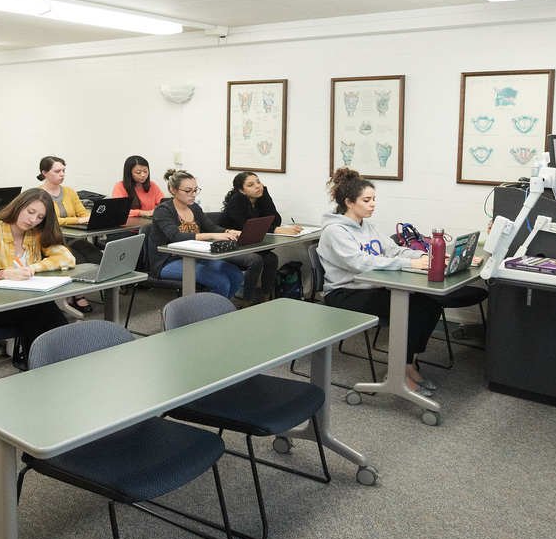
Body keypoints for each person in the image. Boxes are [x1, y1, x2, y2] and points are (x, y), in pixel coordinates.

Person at [316, 167, 441, 395]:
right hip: (345, 293)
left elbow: (393, 250)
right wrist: (409, 265)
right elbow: (359, 263)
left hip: (370, 288)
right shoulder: (335, 231)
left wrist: (428, 256)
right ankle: (400, 372)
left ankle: (406, 366)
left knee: (430, 304)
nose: (373, 204)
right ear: (349, 202)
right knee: (414, 308)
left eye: (374, 199)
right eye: (367, 200)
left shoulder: (367, 226)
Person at [0, 189, 75, 368]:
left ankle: (47, 364)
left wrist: (32, 268)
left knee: (41, 309)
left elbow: (67, 258)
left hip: (21, 302)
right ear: (18, 206)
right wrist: (2, 273)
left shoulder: (35, 232)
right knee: (41, 312)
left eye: (40, 217)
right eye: (30, 212)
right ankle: (45, 366)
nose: (33, 220)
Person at [150, 169, 245, 298]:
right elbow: (177, 237)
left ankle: (219, 310)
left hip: (195, 257)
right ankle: (208, 314)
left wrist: (228, 231)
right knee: (220, 282)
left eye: (195, 190)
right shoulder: (163, 210)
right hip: (167, 261)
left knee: (236, 275)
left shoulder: (194, 208)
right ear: (173, 190)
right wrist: (212, 235)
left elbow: (211, 227)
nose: (193, 195)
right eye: (188, 191)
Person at [216, 171, 303, 301]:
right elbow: (247, 226)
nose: (257, 186)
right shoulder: (237, 200)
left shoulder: (259, 199)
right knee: (256, 260)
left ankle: (265, 297)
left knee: (271, 258)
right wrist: (276, 230)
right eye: (251, 185)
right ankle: (247, 300)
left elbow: (275, 219)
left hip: (248, 244)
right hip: (229, 246)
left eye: (258, 182)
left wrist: (265, 195)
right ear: (241, 190)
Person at [37, 154, 98, 310]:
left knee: (95, 255)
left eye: (63, 171)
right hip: (50, 239)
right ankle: (77, 295)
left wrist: (84, 218)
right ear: (44, 173)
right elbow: (51, 220)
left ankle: (76, 292)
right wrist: (76, 220)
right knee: (76, 258)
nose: (62, 174)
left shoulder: (69, 191)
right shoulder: (37, 194)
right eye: (57, 171)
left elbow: (83, 213)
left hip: (72, 236)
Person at [111, 154, 164, 220]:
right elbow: (120, 210)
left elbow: (164, 204)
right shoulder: (120, 187)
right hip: (131, 227)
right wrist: (143, 213)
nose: (143, 175)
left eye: (145, 171)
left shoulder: (152, 185)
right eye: (138, 172)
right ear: (129, 173)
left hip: (150, 224)